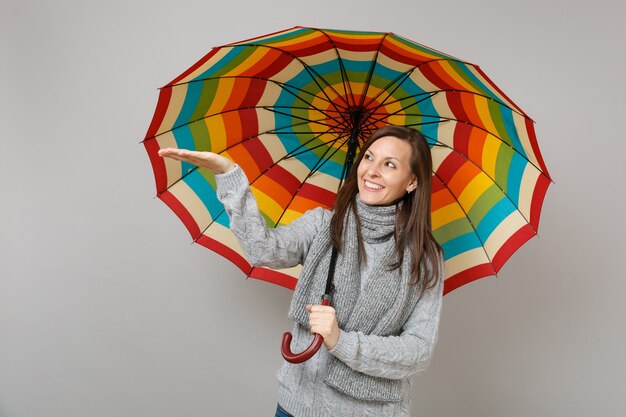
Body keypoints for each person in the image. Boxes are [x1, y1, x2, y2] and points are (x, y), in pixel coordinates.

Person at [158, 125, 445, 417]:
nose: (372, 171)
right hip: (299, 406)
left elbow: (417, 352)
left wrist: (340, 340)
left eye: (390, 165)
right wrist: (228, 174)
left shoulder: (425, 258)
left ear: (411, 182)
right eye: (369, 158)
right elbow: (263, 249)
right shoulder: (323, 226)